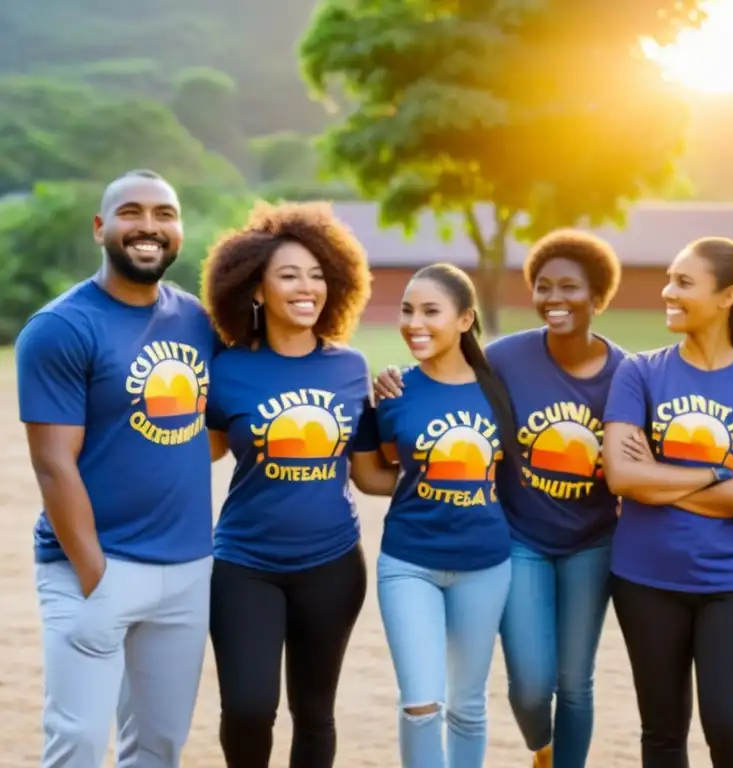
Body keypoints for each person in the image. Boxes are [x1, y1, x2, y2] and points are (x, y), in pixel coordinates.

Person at [374, 230, 627, 768]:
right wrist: (394, 384)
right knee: (530, 688)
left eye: (569, 287)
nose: (554, 297)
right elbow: (444, 388)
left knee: (573, 682)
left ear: (599, 296)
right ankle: (543, 746)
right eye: (542, 286)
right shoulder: (506, 360)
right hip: (519, 540)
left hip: (591, 540)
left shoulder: (626, 372)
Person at [16, 169, 218, 767]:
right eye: (131, 213)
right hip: (94, 565)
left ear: (179, 231)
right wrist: (95, 575)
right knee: (77, 742)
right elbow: (53, 464)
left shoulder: (198, 321)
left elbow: (216, 430)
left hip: (186, 569)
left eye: (165, 214)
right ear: (102, 227)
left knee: (158, 745)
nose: (149, 226)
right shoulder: (60, 328)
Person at [201, 201, 388, 767]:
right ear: (256, 290)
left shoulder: (350, 367)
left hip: (330, 564)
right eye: (288, 275)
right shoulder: (226, 368)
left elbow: (369, 472)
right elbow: (193, 458)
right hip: (244, 564)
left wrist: (452, 471)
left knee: (315, 713)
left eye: (316, 275)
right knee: (250, 707)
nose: (307, 287)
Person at [602, 237, 733, 767]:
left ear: (728, 296)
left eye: (684, 282)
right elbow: (620, 475)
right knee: (661, 735)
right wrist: (713, 472)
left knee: (731, 730)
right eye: (669, 278)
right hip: (645, 578)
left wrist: (657, 479)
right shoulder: (639, 371)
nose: (667, 291)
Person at [355, 263, 520, 768]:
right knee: (421, 701)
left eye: (431, 311)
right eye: (407, 310)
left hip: (485, 565)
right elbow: (372, 474)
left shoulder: (500, 390)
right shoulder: (394, 393)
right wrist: (423, 485)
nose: (414, 323)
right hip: (409, 563)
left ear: (465, 319)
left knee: (468, 707)